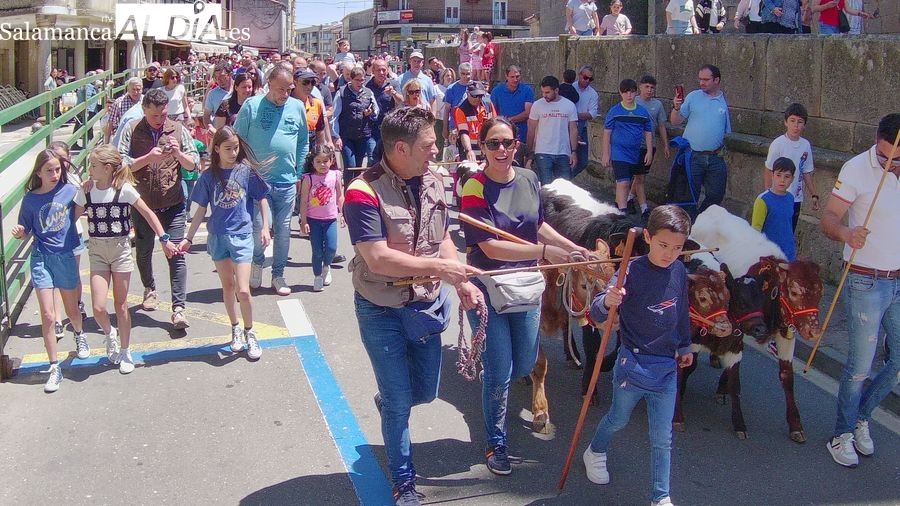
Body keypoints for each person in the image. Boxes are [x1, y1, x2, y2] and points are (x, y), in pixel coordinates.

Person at [343, 107, 484, 506]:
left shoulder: (436, 180)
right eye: (428, 144)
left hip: (426, 304)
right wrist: (441, 268)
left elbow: (441, 239)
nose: (436, 150)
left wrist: (460, 281)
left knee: (424, 392)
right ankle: (404, 481)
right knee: (400, 401)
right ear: (401, 148)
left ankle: (391, 401)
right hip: (380, 306)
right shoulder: (362, 192)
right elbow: (377, 258)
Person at [460, 116, 590, 476]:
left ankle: (494, 384)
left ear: (517, 145)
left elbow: (540, 226)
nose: (502, 150)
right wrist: (545, 254)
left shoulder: (531, 179)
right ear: (482, 146)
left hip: (527, 286)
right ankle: (495, 442)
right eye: (493, 144)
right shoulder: (474, 187)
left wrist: (572, 248)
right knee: (500, 371)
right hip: (488, 286)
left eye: (508, 143)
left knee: (523, 364)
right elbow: (488, 245)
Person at [582, 205, 694, 506]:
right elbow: (594, 312)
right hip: (633, 363)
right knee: (618, 419)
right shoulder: (629, 272)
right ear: (647, 237)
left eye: (677, 248)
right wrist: (609, 299)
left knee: (663, 438)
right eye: (663, 245)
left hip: (667, 367)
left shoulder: (679, 271)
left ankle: (661, 496)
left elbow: (681, 311)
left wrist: (685, 344)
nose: (669, 253)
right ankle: (595, 450)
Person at [821, 113, 900, 469]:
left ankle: (861, 417)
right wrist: (847, 235)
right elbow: (829, 219)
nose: (890, 164)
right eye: (885, 157)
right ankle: (841, 433)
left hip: (899, 278)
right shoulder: (856, 169)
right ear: (877, 142)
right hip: (866, 278)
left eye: (897, 159)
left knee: (898, 363)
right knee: (859, 366)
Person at [75, 145, 176, 374]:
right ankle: (110, 333)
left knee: (121, 305)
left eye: (93, 166)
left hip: (120, 249)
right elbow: (72, 217)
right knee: (99, 307)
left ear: (108, 168)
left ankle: (125, 349)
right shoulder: (86, 190)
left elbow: (149, 213)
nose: (89, 169)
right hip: (98, 249)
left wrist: (164, 237)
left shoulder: (124, 189)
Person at [181, 126, 271, 360]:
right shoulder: (209, 176)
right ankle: (235, 328)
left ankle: (250, 331)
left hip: (241, 235)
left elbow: (261, 197)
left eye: (236, 148)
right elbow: (200, 210)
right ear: (217, 149)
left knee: (243, 289)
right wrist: (188, 238)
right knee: (228, 287)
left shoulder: (246, 171)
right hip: (218, 237)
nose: (233, 152)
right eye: (228, 149)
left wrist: (264, 227)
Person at [118, 88, 200, 328]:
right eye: (155, 116)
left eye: (164, 115)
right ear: (144, 110)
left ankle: (179, 309)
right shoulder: (132, 129)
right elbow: (121, 165)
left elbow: (193, 164)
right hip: (142, 205)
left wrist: (177, 153)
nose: (160, 120)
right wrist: (146, 159)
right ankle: (149, 288)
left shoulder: (177, 129)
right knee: (143, 251)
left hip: (173, 203)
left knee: (176, 254)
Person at [11, 150, 87, 392]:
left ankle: (78, 332)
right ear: (38, 173)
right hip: (41, 256)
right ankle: (54, 367)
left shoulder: (69, 191)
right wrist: (21, 232)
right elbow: (28, 230)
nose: (55, 174)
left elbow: (83, 208)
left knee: (72, 309)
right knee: (47, 315)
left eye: (57, 169)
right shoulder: (31, 199)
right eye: (49, 170)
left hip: (65, 255)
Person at [234, 66, 309, 296]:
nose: (284, 94)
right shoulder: (252, 105)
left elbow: (303, 141)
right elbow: (238, 139)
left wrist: (298, 171)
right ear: (268, 84)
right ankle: (257, 262)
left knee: (284, 229)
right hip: (258, 180)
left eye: (288, 89)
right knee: (259, 226)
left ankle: (278, 274)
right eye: (280, 90)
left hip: (286, 180)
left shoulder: (297, 107)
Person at [669, 64, 732, 220]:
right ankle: (688, 227)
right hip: (693, 156)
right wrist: (676, 107)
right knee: (688, 196)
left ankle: (699, 221)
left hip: (715, 157)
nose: (701, 83)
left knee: (716, 195)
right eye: (700, 79)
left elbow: (725, 130)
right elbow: (675, 121)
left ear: (717, 80)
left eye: (706, 79)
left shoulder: (723, 100)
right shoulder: (693, 96)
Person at [47, 142, 86, 340]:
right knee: (55, 280)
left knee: (73, 274)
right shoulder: (47, 180)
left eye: (63, 159)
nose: (59, 164)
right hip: (52, 238)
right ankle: (57, 320)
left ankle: (77, 306)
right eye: (55, 159)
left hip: (73, 233)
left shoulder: (72, 179)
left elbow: (81, 204)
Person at [764, 102, 819, 232]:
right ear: (786, 122)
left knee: (790, 231)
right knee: (775, 231)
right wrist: (768, 194)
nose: (796, 125)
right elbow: (768, 169)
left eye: (800, 122)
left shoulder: (805, 145)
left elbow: (805, 171)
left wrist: (814, 194)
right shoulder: (778, 144)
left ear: (804, 125)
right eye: (792, 121)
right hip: (777, 195)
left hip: (795, 197)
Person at [603, 79, 653, 216]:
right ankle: (622, 213)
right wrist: (606, 153)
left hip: (634, 153)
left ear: (635, 93)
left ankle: (617, 208)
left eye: (631, 92)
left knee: (628, 182)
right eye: (625, 92)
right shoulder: (615, 111)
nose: (629, 95)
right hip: (619, 153)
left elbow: (648, 131)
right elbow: (607, 132)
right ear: (621, 93)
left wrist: (649, 151)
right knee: (623, 182)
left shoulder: (642, 112)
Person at [299, 145, 344, 292]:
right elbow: (304, 200)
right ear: (312, 162)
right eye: (318, 161)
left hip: (330, 219)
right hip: (314, 220)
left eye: (325, 161)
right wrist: (304, 221)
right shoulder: (308, 179)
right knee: (317, 250)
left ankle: (327, 267)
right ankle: (318, 276)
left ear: (331, 160)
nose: (322, 165)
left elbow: (340, 195)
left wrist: (342, 213)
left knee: (331, 248)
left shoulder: (336, 175)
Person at [527, 75, 579, 184]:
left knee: (565, 187)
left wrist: (574, 152)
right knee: (546, 186)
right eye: (542, 92)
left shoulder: (569, 105)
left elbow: (573, 130)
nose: (544, 95)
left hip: (563, 152)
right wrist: (529, 154)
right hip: (542, 151)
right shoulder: (537, 105)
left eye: (547, 92)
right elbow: (531, 130)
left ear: (556, 90)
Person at [631, 75, 671, 217]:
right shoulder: (633, 101)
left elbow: (661, 125)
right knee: (638, 176)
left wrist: (665, 145)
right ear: (640, 87)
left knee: (640, 175)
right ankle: (643, 207)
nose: (649, 90)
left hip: (649, 145)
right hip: (633, 144)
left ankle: (630, 199)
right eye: (646, 87)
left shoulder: (657, 105)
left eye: (652, 87)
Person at [334, 66, 379, 188]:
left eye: (362, 80)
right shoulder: (342, 92)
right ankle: (347, 192)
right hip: (346, 136)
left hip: (363, 135)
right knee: (350, 166)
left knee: (359, 168)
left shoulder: (368, 93)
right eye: (357, 80)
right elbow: (335, 116)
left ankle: (356, 192)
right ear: (351, 79)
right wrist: (336, 136)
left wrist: (371, 112)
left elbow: (376, 111)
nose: (360, 83)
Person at [752, 157, 797, 261]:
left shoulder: (790, 198)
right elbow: (755, 231)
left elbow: (787, 225)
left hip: (788, 252)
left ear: (792, 179)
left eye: (787, 176)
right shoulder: (763, 200)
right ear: (772, 175)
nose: (782, 180)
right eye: (778, 175)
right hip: (769, 254)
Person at [490, 65, 534, 166]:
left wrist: (508, 120)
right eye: (512, 77)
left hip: (521, 135)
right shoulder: (497, 91)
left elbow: (528, 113)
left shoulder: (527, 90)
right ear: (506, 76)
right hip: (502, 135)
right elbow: (493, 112)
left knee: (518, 165)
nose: (515, 79)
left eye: (517, 76)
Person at [366, 58, 403, 163]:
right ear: (373, 71)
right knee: (373, 159)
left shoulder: (393, 84)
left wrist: (394, 94)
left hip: (388, 129)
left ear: (387, 70)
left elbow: (401, 101)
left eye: (384, 70)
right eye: (378, 70)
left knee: (389, 160)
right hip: (372, 130)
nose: (381, 73)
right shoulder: (367, 86)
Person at [454, 82, 497, 162]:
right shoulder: (461, 110)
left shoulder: (488, 105)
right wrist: (469, 150)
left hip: (487, 148)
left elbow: (495, 126)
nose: (477, 98)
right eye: (474, 95)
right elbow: (463, 133)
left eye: (480, 96)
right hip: (470, 149)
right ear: (467, 94)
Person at [574, 65, 599, 178]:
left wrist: (574, 115)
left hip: (582, 127)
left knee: (583, 162)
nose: (587, 80)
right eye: (585, 77)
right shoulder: (571, 87)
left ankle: (565, 178)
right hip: (567, 127)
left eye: (590, 79)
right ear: (579, 75)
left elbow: (592, 114)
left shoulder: (592, 94)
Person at [105, 78, 143, 143]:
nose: (136, 92)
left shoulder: (146, 102)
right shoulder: (119, 102)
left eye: (138, 89)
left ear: (142, 89)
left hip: (142, 137)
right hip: (123, 138)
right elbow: (110, 123)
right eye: (133, 89)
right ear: (128, 89)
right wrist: (106, 143)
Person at [202, 62, 233, 133]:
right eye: (216, 77)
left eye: (222, 76)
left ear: (230, 74)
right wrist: (210, 128)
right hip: (219, 133)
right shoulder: (212, 94)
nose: (219, 80)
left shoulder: (239, 90)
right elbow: (206, 116)